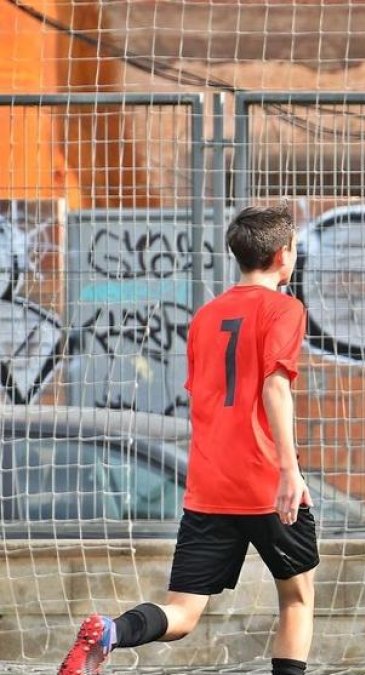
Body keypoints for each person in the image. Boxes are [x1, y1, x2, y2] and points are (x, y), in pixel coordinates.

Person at [59, 205, 318, 675]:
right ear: (284, 255)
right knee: (297, 600)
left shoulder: (205, 316)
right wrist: (288, 470)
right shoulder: (285, 308)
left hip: (210, 486)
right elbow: (274, 386)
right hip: (265, 482)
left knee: (182, 613)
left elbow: (204, 398)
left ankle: (112, 630)